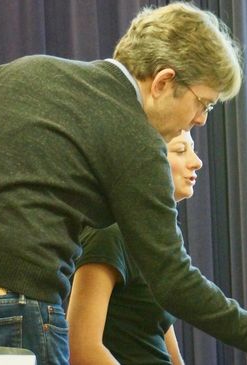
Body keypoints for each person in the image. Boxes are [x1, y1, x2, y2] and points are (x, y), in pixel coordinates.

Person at [0, 2, 247, 364]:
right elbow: (173, 281)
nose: (202, 120)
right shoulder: (135, 138)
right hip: (16, 313)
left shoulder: (27, 70)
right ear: (163, 82)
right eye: (203, 103)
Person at [67, 130, 201, 365]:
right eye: (181, 150)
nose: (196, 162)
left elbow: (158, 325)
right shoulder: (109, 233)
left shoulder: (157, 236)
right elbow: (81, 348)